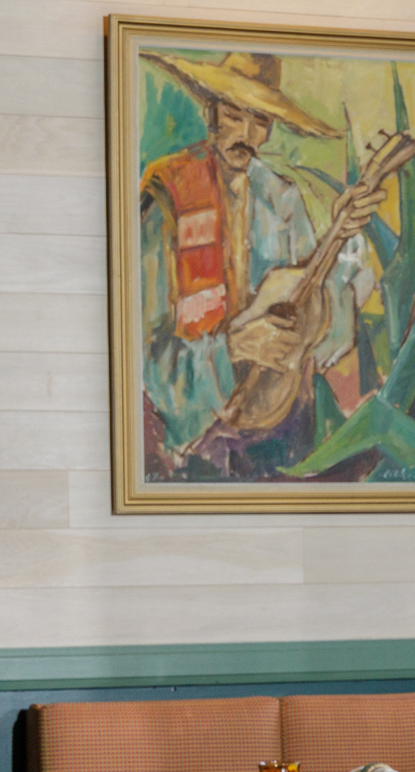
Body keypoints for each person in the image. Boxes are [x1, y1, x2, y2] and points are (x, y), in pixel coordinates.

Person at [136, 51, 387, 477]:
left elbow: (326, 329)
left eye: (259, 121)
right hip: (197, 440)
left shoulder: (283, 200)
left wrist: (339, 243)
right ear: (212, 113)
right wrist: (233, 348)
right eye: (234, 115)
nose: (246, 135)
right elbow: (146, 357)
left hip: (285, 427)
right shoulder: (167, 197)